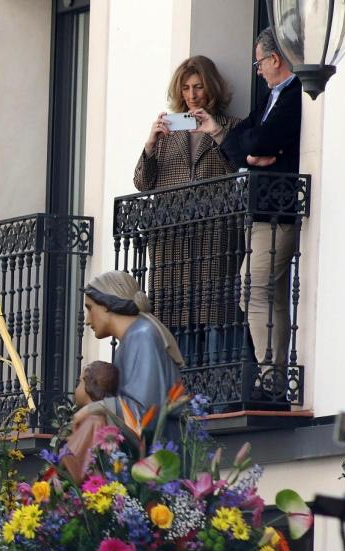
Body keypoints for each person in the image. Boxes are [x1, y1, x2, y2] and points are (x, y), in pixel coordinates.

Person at [198, 27, 302, 367]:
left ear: (275, 59)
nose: (257, 71)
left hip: (278, 210)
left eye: (259, 63)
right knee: (268, 294)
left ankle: (269, 374)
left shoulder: (295, 93)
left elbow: (258, 141)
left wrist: (251, 149)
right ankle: (274, 374)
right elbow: (244, 137)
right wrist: (249, 155)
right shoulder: (271, 98)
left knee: (252, 288)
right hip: (260, 209)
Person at [134, 55, 240, 360]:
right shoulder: (168, 134)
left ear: (211, 88)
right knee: (174, 320)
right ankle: (180, 384)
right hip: (171, 244)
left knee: (214, 314)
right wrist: (150, 145)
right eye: (185, 88)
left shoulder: (231, 127)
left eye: (198, 87)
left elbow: (238, 168)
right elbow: (142, 182)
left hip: (214, 239)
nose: (192, 95)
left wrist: (215, 133)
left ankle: (215, 382)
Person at [74, 271, 184, 429]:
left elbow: (144, 414)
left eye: (90, 308)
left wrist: (93, 409)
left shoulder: (142, 336)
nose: (87, 320)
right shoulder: (132, 340)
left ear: (106, 304)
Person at [62, 360, 120, 485]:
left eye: (79, 383)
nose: (76, 388)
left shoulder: (93, 422)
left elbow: (72, 460)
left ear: (88, 386)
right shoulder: (91, 419)